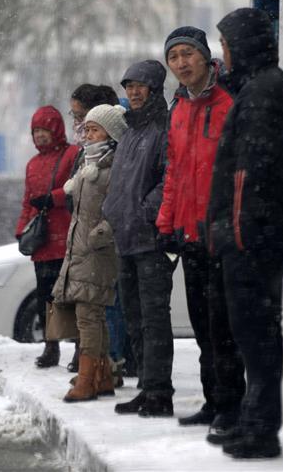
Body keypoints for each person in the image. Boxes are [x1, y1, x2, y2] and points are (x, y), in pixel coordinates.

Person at [207, 7, 283, 459]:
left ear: (242, 45)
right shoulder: (261, 87)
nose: (222, 54)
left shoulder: (264, 92)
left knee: (258, 333)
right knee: (253, 332)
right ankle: (254, 420)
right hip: (260, 230)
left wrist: (236, 232)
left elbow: (249, 171)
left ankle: (262, 429)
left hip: (255, 234)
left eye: (225, 44)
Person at [156, 26, 246, 438]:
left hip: (223, 236)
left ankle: (232, 406)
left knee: (224, 328)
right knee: (202, 327)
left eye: (187, 54)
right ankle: (213, 402)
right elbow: (174, 172)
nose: (180, 64)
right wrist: (166, 222)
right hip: (189, 236)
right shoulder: (178, 108)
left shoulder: (228, 101)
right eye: (173, 58)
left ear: (205, 56)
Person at [103, 60, 175, 418]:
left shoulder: (163, 127)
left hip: (149, 241)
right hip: (126, 240)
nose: (133, 92)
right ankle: (147, 386)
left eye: (140, 86)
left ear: (155, 88)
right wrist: (114, 213)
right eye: (129, 85)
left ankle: (160, 391)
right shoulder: (130, 131)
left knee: (154, 319)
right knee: (134, 317)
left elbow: (168, 179)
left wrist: (144, 213)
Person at [52, 103, 128, 402]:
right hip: (81, 249)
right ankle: (103, 376)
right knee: (93, 315)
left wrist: (100, 234)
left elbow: (121, 207)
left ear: (111, 134)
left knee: (88, 316)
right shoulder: (88, 164)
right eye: (88, 129)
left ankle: (86, 380)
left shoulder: (115, 168)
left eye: (95, 129)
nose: (88, 134)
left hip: (98, 251)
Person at [15, 106, 80, 369]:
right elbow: (27, 203)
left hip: (66, 239)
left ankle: (79, 347)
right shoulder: (32, 164)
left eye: (44, 130)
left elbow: (75, 190)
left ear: (56, 130)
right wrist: (22, 230)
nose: (40, 136)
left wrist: (51, 199)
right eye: (35, 131)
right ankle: (50, 346)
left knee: (73, 297)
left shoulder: (72, 155)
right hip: (42, 244)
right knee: (46, 300)